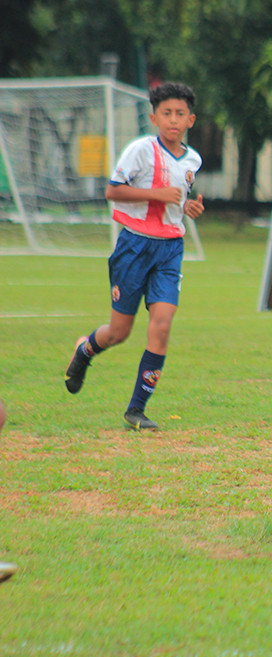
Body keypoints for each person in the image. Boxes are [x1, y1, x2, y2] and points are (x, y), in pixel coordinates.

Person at [63, 81, 204, 430]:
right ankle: (84, 351)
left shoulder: (193, 160)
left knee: (162, 325)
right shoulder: (140, 150)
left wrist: (188, 207)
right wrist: (157, 194)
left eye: (180, 114)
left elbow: (177, 199)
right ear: (154, 118)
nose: (173, 120)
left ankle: (136, 410)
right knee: (118, 332)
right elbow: (113, 191)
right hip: (134, 246)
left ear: (191, 120)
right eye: (167, 113)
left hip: (170, 249)